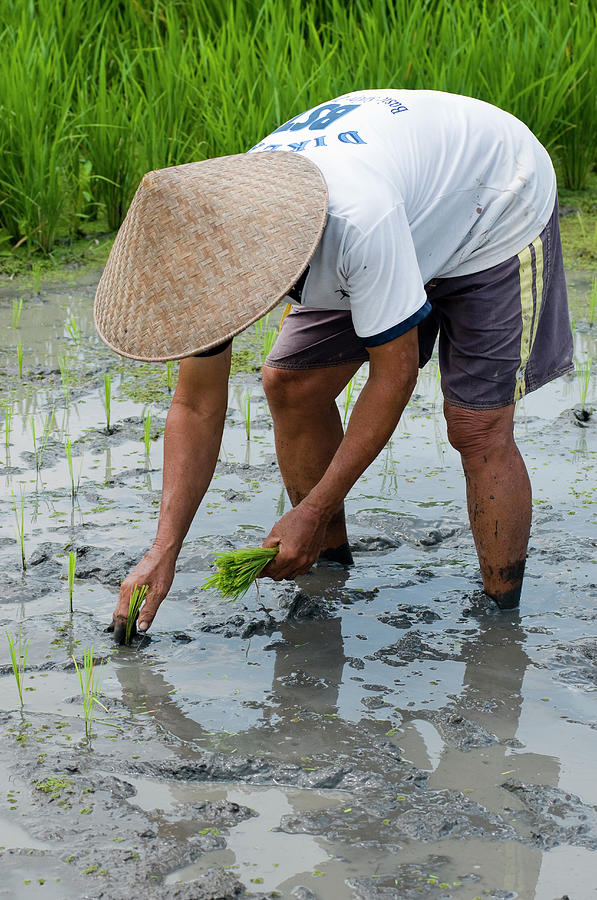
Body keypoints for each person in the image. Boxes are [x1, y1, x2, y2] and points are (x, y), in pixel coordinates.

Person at [94, 89, 573, 637]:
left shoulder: (354, 220)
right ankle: (328, 573)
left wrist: (313, 509)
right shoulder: (210, 247)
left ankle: (499, 621)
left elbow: (393, 375)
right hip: (399, 205)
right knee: (291, 385)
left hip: (493, 201)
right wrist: (164, 548)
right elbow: (197, 403)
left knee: (476, 425)